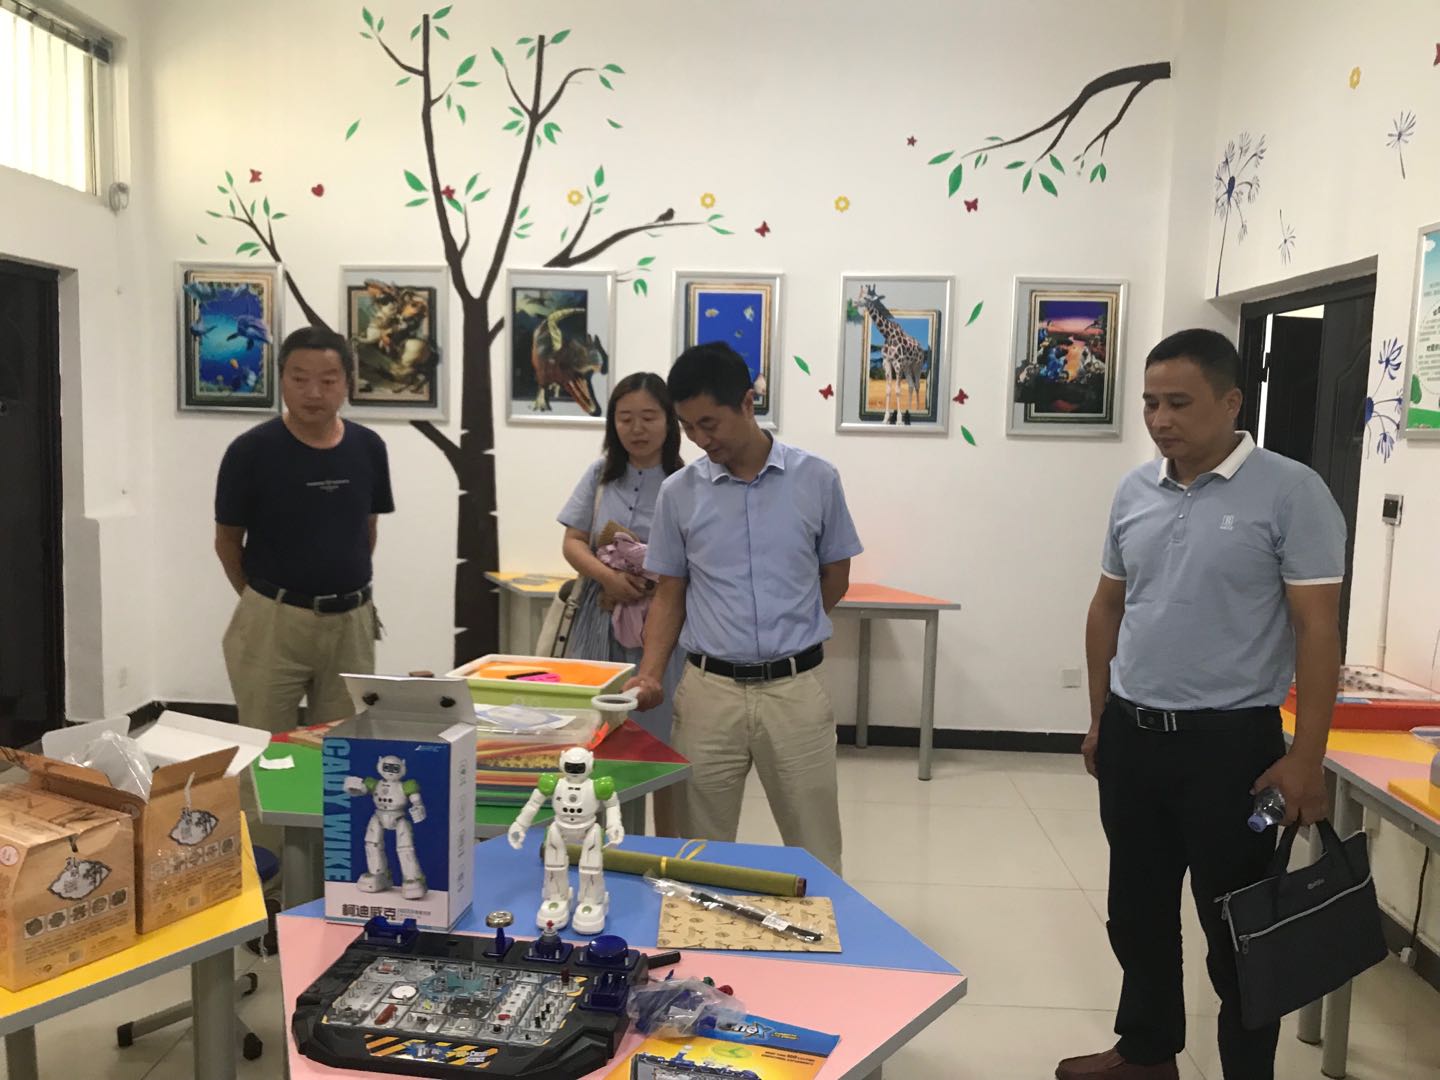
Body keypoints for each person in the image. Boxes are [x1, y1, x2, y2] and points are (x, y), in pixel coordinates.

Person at [1058, 329, 1344, 1080]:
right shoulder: (1135, 490)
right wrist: (1100, 717)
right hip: (1134, 735)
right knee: (1137, 911)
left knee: (1238, 928)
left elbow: (1317, 630)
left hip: (1232, 750)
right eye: (1151, 403)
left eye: (1179, 403)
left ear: (1231, 401)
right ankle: (1147, 1052)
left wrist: (1307, 758)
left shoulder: (1292, 492)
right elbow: (1107, 606)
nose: (1161, 420)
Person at [624, 343, 862, 875]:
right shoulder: (679, 494)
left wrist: (791, 627)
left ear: (748, 402)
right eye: (688, 427)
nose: (700, 439)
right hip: (709, 694)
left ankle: (819, 926)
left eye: (709, 423)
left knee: (815, 846)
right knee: (698, 850)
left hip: (796, 692)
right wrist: (651, 673)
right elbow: (670, 592)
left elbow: (836, 575)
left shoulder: (816, 479)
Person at [215, 326, 394, 854]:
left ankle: (333, 870)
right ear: (282, 381)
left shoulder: (368, 447)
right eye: (299, 378)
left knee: (344, 751)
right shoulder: (251, 451)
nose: (314, 392)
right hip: (271, 621)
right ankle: (267, 878)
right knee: (264, 751)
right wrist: (264, 602)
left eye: (328, 379)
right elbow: (227, 542)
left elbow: (366, 530)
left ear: (347, 384)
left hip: (352, 622)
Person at [557, 372, 688, 835]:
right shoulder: (599, 476)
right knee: (598, 735)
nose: (637, 428)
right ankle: (598, 836)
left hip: (665, 631)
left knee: (666, 740)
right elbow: (573, 542)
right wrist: (609, 576)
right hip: (600, 621)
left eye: (648, 417)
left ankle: (668, 846)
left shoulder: (687, 481)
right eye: (625, 418)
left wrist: (651, 581)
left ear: (669, 421)